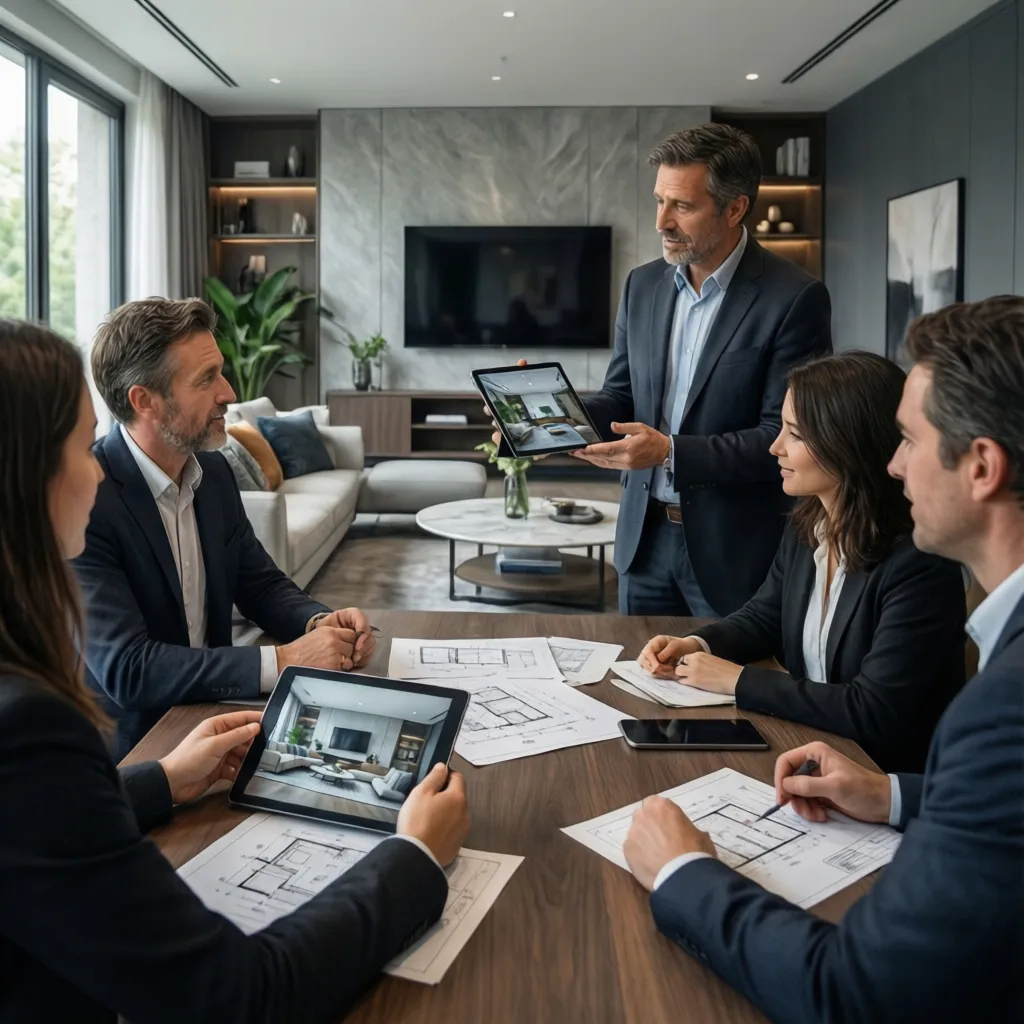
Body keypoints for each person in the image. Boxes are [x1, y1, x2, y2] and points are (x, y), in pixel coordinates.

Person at [0, 319, 471, 1023]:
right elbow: (240, 995)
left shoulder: (212, 474)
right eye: (77, 441)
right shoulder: (29, 728)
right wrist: (414, 858)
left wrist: (162, 780)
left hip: (168, 765)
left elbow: (31, 831)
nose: (93, 466)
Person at [623, 296, 1024, 1022]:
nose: (896, 464)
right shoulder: (808, 525)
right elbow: (768, 613)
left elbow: (851, 992)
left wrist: (684, 870)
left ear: (983, 466)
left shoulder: (1000, 704)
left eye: (908, 440)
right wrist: (893, 795)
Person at [73, 298, 376, 756]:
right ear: (144, 400)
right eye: (206, 379)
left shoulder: (212, 475)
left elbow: (259, 583)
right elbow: (129, 669)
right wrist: (285, 660)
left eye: (221, 372)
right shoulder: (85, 500)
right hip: (133, 754)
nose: (229, 393)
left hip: (214, 721)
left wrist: (317, 621)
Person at [636, 352, 965, 772]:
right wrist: (698, 644)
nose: (775, 447)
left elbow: (872, 710)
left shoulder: (919, 561)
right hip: (806, 748)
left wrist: (736, 680)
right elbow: (763, 618)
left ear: (847, 441)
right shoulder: (808, 523)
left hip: (878, 777)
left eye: (794, 434)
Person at [573, 123, 832, 617]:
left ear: (735, 208)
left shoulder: (794, 298)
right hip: (642, 543)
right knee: (636, 683)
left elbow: (786, 435)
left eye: (682, 207)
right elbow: (620, 397)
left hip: (732, 552)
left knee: (723, 689)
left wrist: (670, 452)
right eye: (658, 201)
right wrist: (558, 418)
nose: (661, 222)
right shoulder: (641, 286)